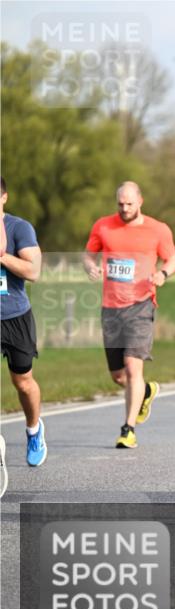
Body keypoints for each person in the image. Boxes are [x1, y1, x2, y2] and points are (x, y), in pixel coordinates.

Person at [84, 182, 175, 448]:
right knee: (118, 376)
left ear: (140, 202)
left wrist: (163, 273)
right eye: (120, 204)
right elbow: (88, 255)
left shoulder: (158, 229)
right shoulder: (103, 226)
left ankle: (128, 429)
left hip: (141, 304)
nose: (124, 209)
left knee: (132, 366)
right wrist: (90, 267)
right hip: (111, 308)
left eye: (129, 204)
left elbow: (172, 259)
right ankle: (146, 391)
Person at [0, 177, 46, 468]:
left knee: (23, 382)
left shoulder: (19, 228)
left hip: (15, 316)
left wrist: (3, 257)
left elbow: (33, 271)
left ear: (4, 197)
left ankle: (33, 430)